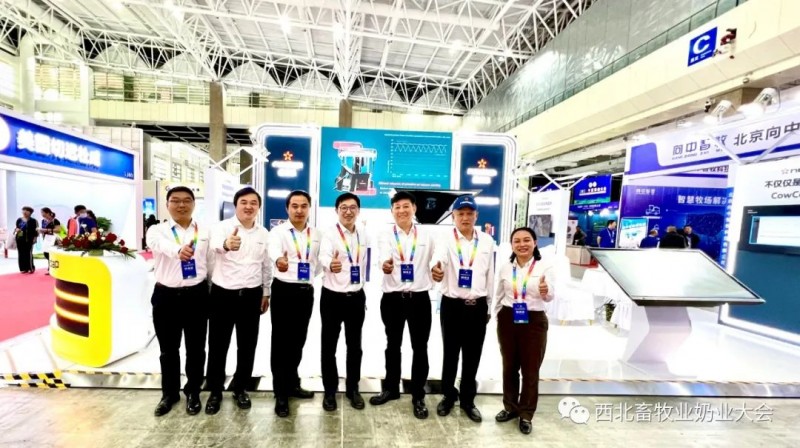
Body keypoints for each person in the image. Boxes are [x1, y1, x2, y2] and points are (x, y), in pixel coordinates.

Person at [205, 187, 273, 415]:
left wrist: (266, 292)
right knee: (218, 345)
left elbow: (266, 265)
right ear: (236, 205)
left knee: (247, 345)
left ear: (259, 207)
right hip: (223, 295)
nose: (249, 206)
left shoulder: (263, 233)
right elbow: (215, 246)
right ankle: (215, 391)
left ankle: (240, 387)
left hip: (251, 296)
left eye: (253, 203)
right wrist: (227, 244)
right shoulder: (222, 228)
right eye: (244, 202)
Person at [145, 186, 211, 417]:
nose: (181, 205)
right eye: (175, 200)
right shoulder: (156, 230)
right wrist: (178, 250)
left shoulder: (204, 231)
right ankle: (169, 393)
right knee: (168, 350)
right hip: (166, 297)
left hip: (197, 296)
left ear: (194, 203)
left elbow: (210, 262)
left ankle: (193, 391)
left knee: (196, 349)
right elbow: (159, 246)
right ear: (167, 204)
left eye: (186, 200)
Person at [430, 195, 495, 423]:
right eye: (461, 214)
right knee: (450, 354)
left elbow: (490, 274)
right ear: (453, 216)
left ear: (476, 215)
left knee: (473, 355)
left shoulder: (487, 241)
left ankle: (468, 400)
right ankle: (448, 395)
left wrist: (489, 306)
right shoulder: (445, 239)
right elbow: (437, 259)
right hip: (453, 305)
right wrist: (436, 269)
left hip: (477, 306)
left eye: (469, 213)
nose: (465, 217)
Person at [369, 191, 434, 419]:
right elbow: (383, 255)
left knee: (420, 347)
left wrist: (437, 268)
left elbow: (436, 260)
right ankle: (391, 388)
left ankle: (418, 395)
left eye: (406, 206)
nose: (402, 211)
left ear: (414, 208)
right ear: (392, 211)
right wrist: (385, 264)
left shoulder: (427, 235)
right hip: (393, 298)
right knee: (392, 345)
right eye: (397, 207)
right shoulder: (385, 234)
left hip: (419, 298)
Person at [493, 227, 554, 435]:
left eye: (526, 240)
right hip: (508, 318)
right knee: (509, 367)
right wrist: (497, 317)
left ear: (535, 243)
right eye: (517, 241)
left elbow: (551, 296)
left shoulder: (545, 266)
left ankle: (526, 414)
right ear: (512, 245)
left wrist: (546, 291)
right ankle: (510, 407)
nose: (522, 244)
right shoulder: (505, 268)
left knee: (530, 370)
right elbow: (498, 295)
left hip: (534, 320)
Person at [267, 190, 320, 418]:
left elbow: (317, 263)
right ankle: (280, 393)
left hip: (305, 292)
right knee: (281, 342)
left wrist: (308, 277)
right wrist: (279, 260)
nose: (299, 210)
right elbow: (274, 252)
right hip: (284, 291)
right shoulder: (278, 232)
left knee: (298, 340)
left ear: (309, 208)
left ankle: (292, 384)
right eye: (295, 206)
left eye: (303, 206)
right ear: (287, 208)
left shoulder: (316, 234)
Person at [318, 192, 371, 412]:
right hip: (332, 297)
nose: (348, 212)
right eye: (343, 208)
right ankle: (330, 391)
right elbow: (323, 255)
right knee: (328, 346)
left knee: (355, 347)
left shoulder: (364, 234)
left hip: (356, 297)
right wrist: (330, 264)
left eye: (352, 208)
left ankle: (353, 388)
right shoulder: (329, 234)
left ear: (358, 210)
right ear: (337, 211)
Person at [38, 208, 62, 275]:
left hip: (53, 239)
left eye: (43, 212)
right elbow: (43, 229)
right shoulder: (43, 221)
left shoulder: (55, 220)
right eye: (41, 213)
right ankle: (50, 268)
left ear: (48, 213)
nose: (42, 214)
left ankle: (53, 269)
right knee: (46, 253)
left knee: (52, 254)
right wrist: (40, 231)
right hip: (46, 239)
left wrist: (47, 230)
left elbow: (58, 230)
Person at [15, 206, 38, 274]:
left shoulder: (33, 221)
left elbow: (36, 231)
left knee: (28, 253)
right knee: (21, 253)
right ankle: (23, 268)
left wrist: (35, 238)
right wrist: (17, 229)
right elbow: (16, 228)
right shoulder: (19, 220)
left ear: (30, 212)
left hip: (29, 239)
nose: (24, 212)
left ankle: (31, 268)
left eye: (27, 210)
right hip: (19, 238)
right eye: (23, 210)